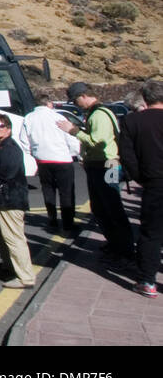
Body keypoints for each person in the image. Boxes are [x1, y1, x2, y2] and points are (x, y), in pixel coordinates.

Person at [60, 82, 134, 261]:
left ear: (84, 96)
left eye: (76, 100)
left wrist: (74, 131)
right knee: (101, 207)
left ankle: (124, 249)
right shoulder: (95, 112)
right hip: (100, 164)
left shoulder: (99, 114)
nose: (76, 104)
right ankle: (115, 243)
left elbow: (98, 142)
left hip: (107, 164)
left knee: (112, 206)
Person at [0, 113, 35, 289]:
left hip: (10, 199)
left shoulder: (11, 148)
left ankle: (25, 276)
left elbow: (8, 173)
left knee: (13, 237)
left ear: (9, 129)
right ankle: (8, 265)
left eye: (0, 125)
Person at [119, 81, 163, 297]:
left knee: (151, 233)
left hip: (154, 183)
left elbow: (127, 156)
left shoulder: (132, 120)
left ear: (145, 98)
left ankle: (148, 280)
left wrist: (140, 178)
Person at [23, 102, 80, 230]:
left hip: (43, 160)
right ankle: (68, 222)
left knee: (48, 190)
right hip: (62, 159)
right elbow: (71, 138)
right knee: (66, 192)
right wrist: (74, 153)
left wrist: (32, 153)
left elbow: (24, 140)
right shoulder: (58, 117)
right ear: (48, 103)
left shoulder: (29, 118)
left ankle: (52, 219)